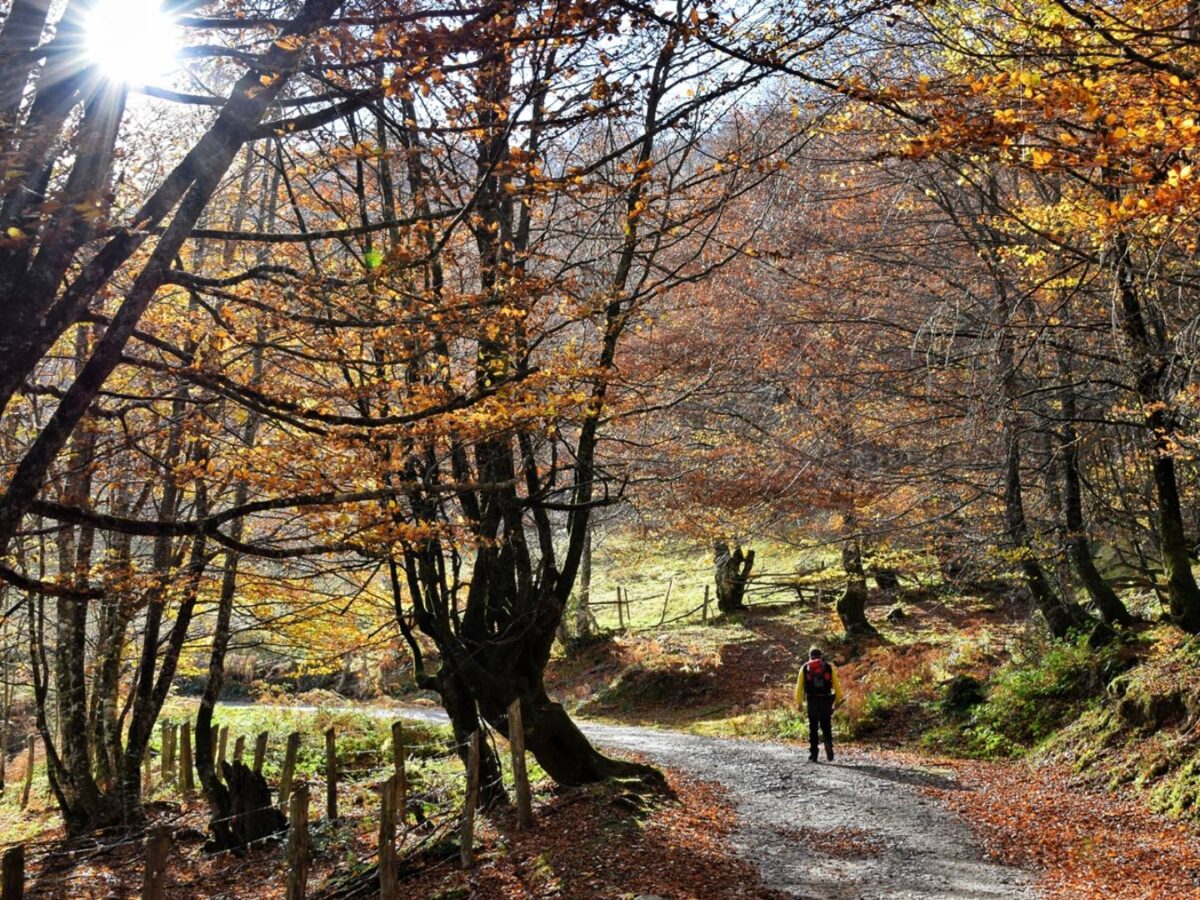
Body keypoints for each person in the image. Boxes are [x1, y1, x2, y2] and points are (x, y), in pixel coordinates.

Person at [795, 646, 843, 762]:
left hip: (812, 702)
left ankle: (814, 754)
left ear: (809, 656)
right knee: (826, 726)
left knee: (813, 729)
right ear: (821, 656)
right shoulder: (828, 667)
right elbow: (837, 686)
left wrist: (799, 703)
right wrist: (837, 701)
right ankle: (828, 743)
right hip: (825, 701)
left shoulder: (805, 667)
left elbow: (799, 688)